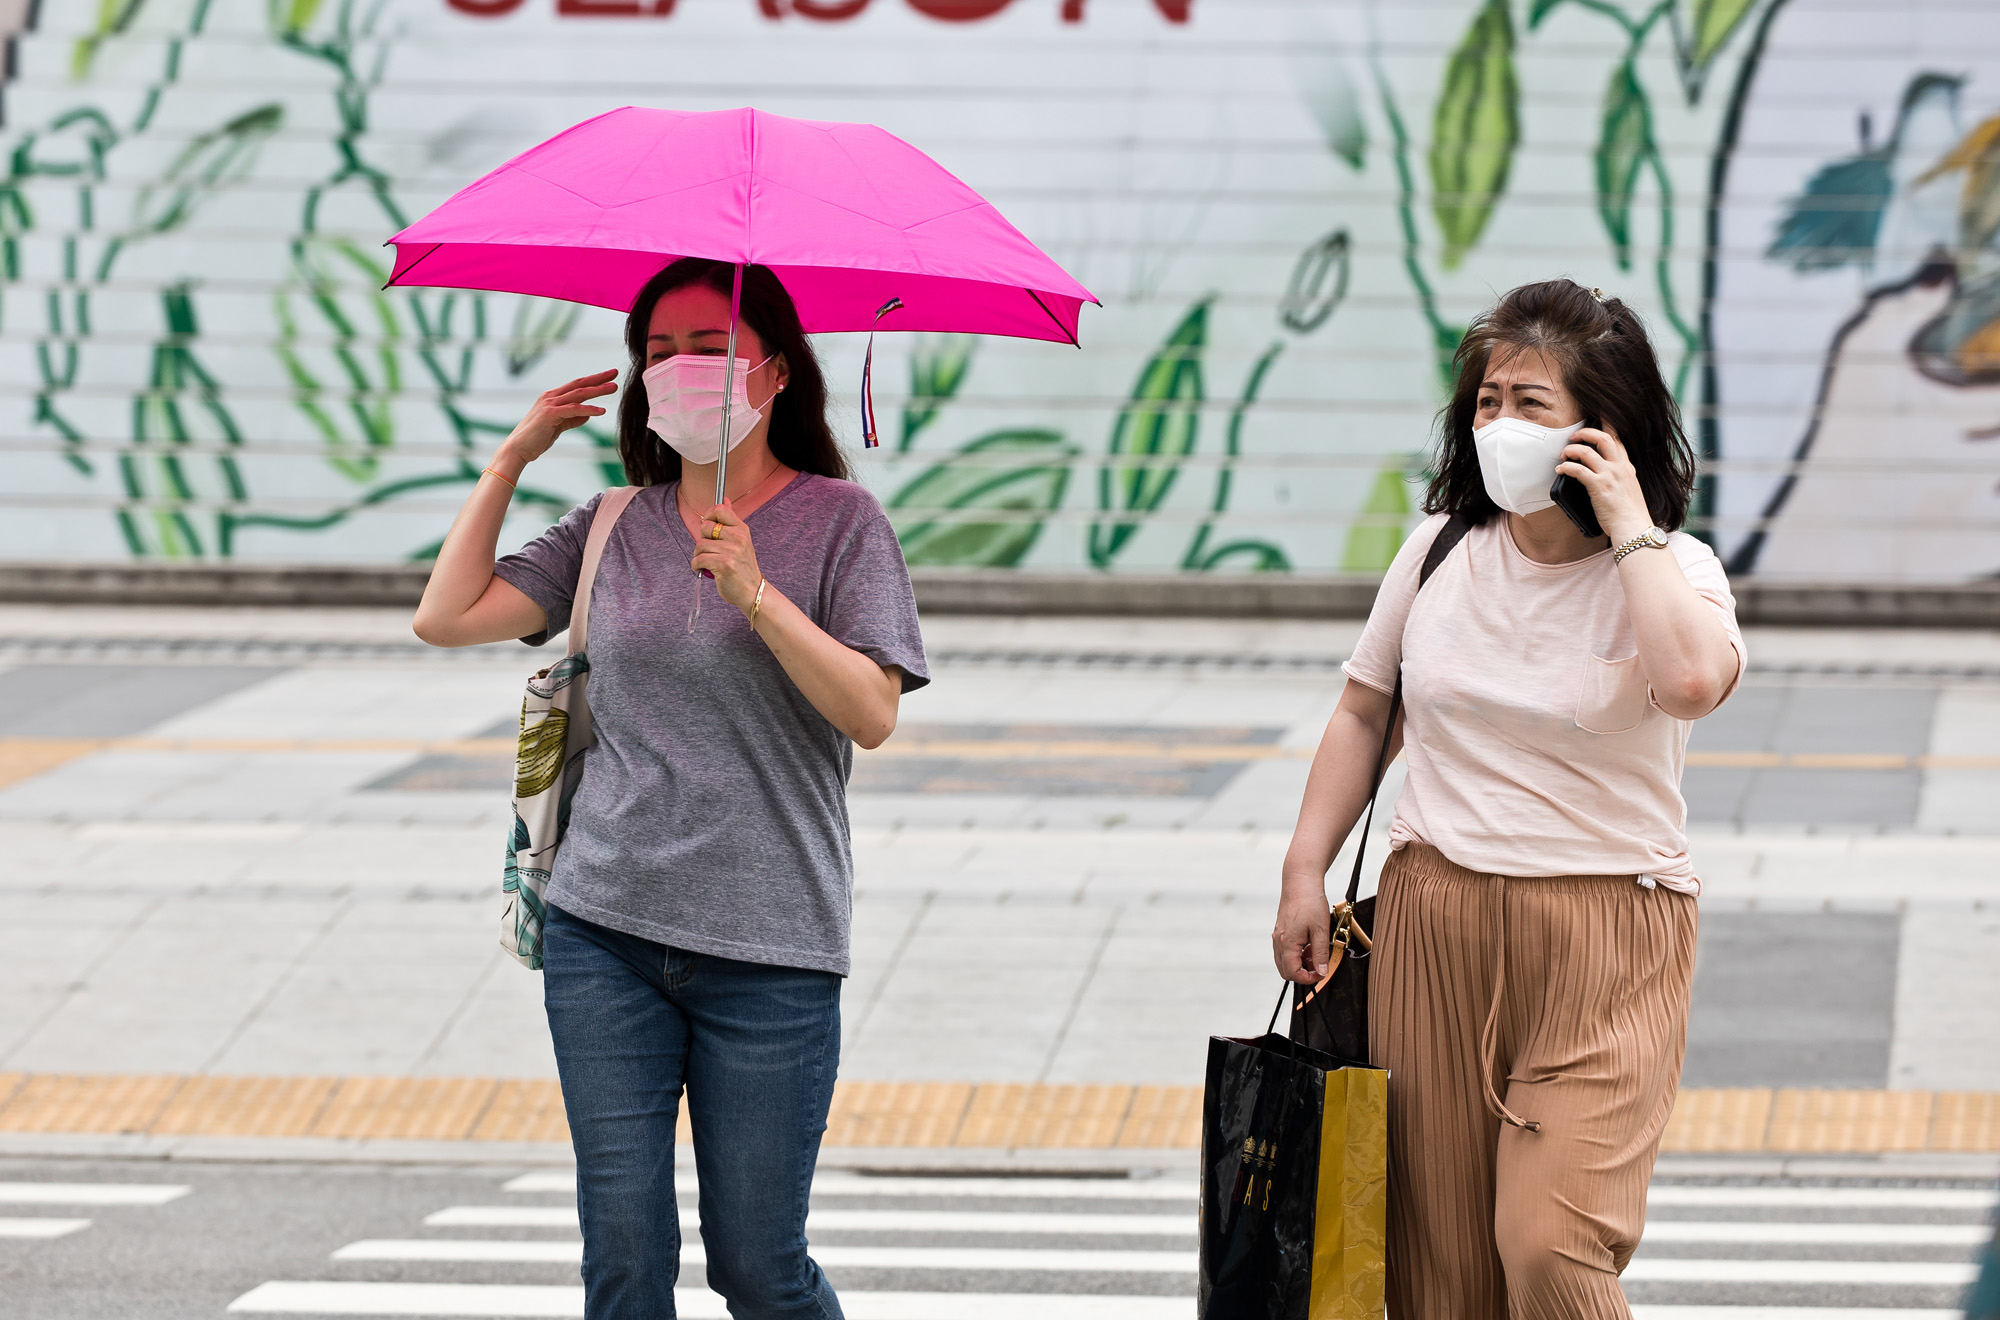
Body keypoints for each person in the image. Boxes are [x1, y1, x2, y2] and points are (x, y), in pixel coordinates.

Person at [413, 257, 928, 1320]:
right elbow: (446, 616)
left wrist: (757, 592)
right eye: (658, 351)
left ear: (775, 371)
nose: (681, 369)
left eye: (710, 348)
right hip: (603, 930)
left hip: (772, 945)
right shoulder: (611, 523)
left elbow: (871, 715)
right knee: (624, 1260)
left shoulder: (842, 524)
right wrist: (511, 458)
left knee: (759, 1270)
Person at [1272, 279, 1745, 1318]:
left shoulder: (1677, 571)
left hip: (1606, 935)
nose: (1498, 426)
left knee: (1550, 1247)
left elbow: (1690, 683)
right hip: (1433, 921)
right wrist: (1304, 869)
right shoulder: (1439, 549)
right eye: (1487, 401)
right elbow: (1365, 712)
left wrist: (1630, 528)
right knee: (1439, 1274)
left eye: (1530, 404)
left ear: (1601, 428)